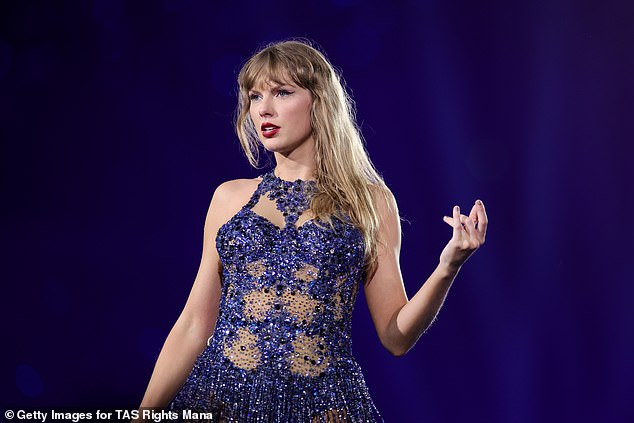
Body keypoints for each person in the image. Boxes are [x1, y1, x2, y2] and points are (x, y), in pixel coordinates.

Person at [136, 39, 488, 422]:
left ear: (319, 102)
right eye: (254, 97)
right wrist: (143, 414)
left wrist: (448, 266)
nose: (264, 109)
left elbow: (395, 336)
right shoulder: (229, 198)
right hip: (224, 403)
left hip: (323, 407)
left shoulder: (369, 202)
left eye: (282, 93)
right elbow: (192, 325)